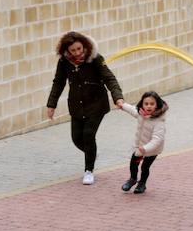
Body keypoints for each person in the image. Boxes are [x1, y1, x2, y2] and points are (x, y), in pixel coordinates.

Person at [46, 31, 124, 185]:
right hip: (77, 105)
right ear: (66, 50)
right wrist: (51, 104)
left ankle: (89, 170)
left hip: (96, 104)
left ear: (84, 46)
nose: (77, 53)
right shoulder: (64, 62)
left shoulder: (94, 59)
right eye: (72, 50)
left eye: (79, 49)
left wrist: (117, 97)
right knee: (76, 138)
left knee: (88, 134)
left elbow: (109, 77)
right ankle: (92, 152)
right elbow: (58, 82)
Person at [119, 91, 168, 194]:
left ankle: (142, 184)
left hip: (152, 149)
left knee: (145, 167)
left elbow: (157, 139)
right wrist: (122, 105)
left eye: (152, 104)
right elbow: (132, 110)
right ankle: (132, 179)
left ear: (157, 105)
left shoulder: (159, 121)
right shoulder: (141, 113)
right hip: (140, 146)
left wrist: (145, 148)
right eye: (146, 104)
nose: (149, 106)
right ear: (142, 104)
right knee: (133, 163)